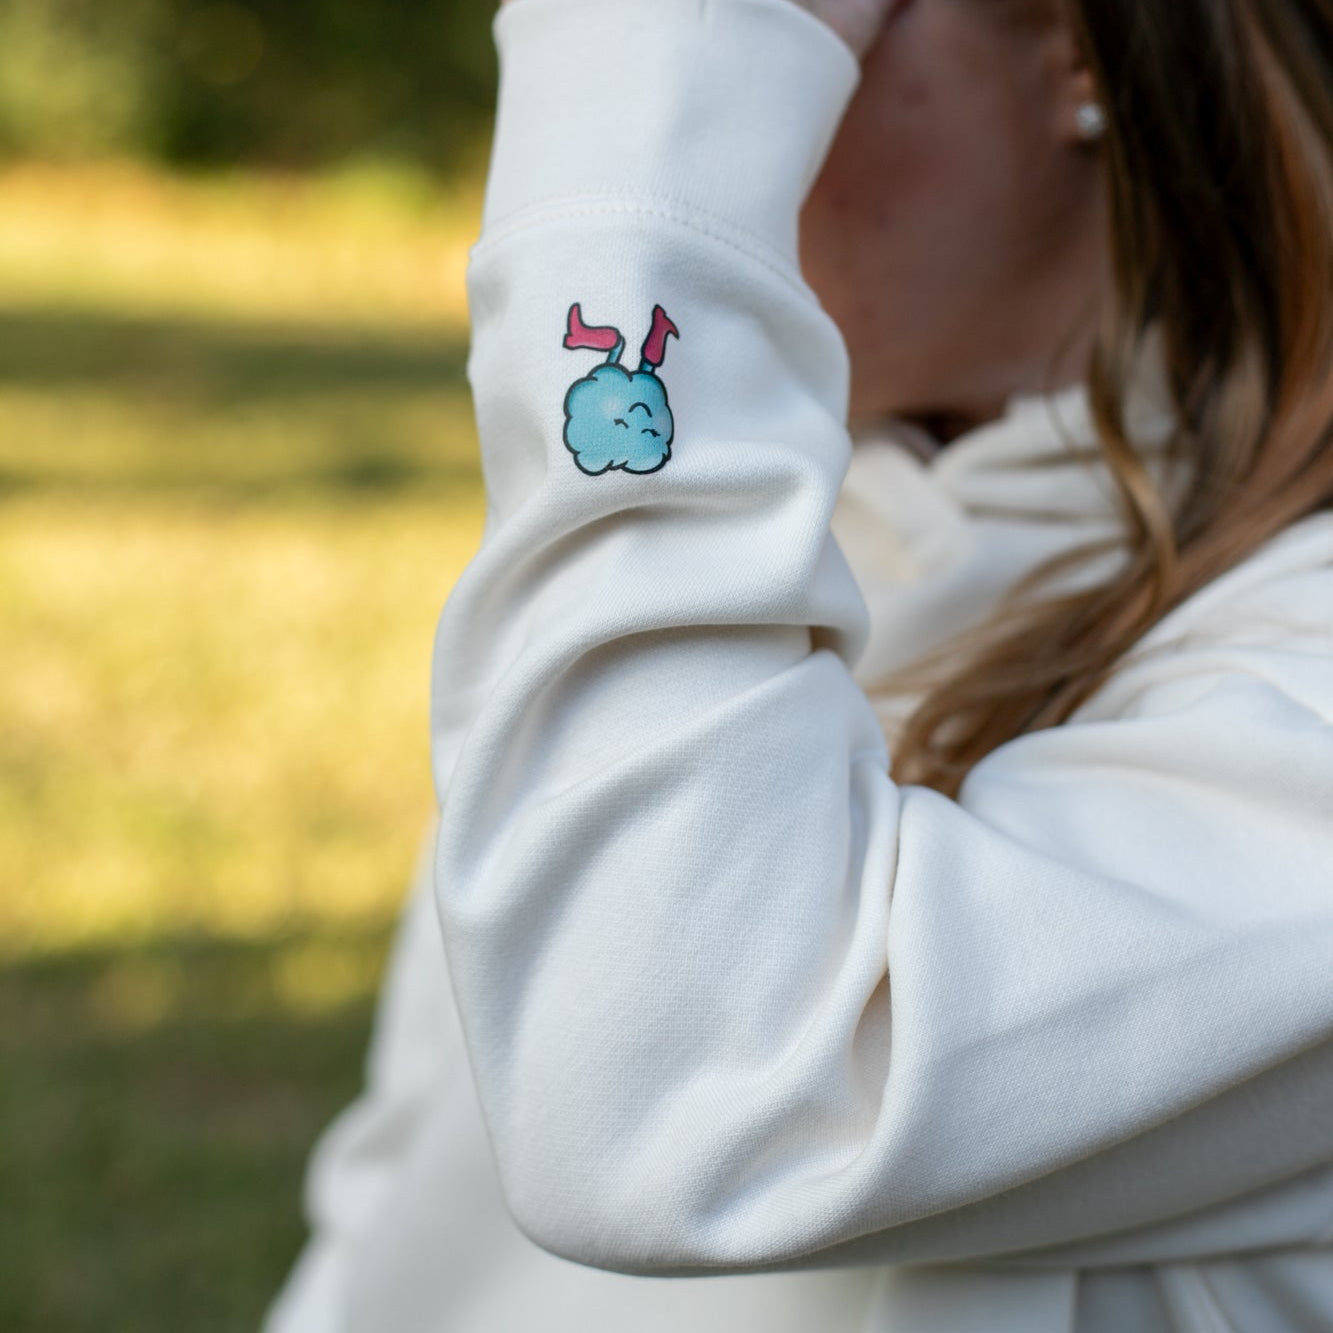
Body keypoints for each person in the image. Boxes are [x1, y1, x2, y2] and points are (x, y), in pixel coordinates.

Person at [264, 0, 1333, 1328]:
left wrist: (642, 189)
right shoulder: (758, 556)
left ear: (1074, 43)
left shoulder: (1295, 688)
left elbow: (673, 1102)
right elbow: (407, 1206)